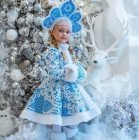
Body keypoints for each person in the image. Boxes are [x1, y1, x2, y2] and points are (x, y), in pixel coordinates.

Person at [20, 0, 101, 140]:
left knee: (72, 111)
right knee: (56, 113)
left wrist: (77, 71)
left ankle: (70, 132)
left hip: (70, 88)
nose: (64, 34)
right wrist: (70, 72)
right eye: (61, 30)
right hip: (56, 87)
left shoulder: (67, 49)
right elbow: (54, 71)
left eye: (67, 32)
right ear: (52, 31)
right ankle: (57, 135)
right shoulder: (52, 52)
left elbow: (74, 65)